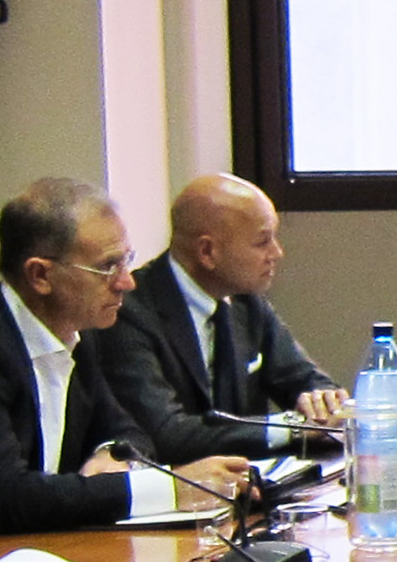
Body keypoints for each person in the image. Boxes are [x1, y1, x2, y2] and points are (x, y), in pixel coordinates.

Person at [0, 179, 256, 534]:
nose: (126, 282)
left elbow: (129, 432)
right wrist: (170, 488)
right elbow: (4, 498)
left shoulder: (80, 334)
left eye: (126, 261)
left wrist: (111, 454)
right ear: (40, 275)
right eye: (107, 266)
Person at [95, 173, 348, 460]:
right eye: (262, 242)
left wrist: (323, 402)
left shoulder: (246, 302)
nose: (277, 253)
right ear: (207, 251)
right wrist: (292, 428)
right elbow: (165, 434)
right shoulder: (130, 312)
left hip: (245, 478)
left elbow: (302, 378)